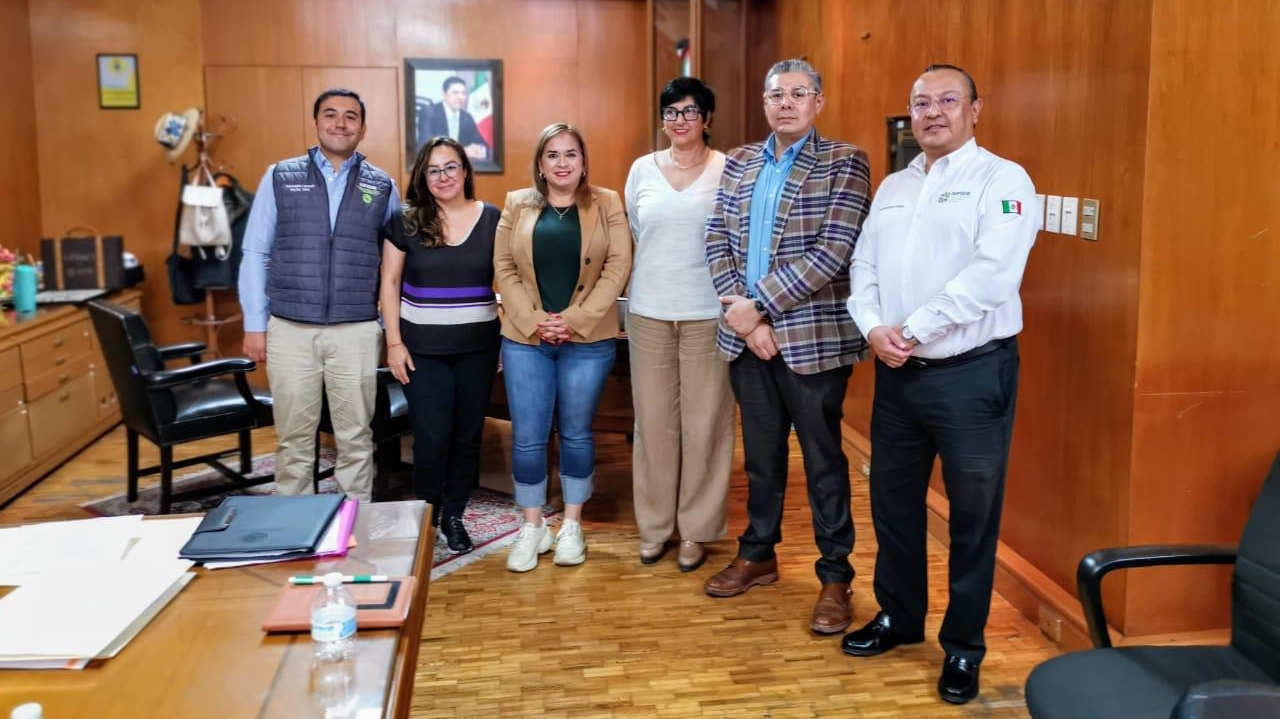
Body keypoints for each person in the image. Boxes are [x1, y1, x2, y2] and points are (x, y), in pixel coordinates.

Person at [843, 64, 1038, 705]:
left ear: (975, 109)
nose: (932, 112)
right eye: (921, 103)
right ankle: (900, 617)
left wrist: (912, 329)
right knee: (893, 505)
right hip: (897, 375)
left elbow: (993, 275)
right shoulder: (895, 186)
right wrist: (873, 327)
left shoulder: (1003, 180)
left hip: (971, 376)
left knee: (972, 518)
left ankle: (963, 647)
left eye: (947, 100)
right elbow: (864, 265)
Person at [702, 59, 872, 636]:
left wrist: (759, 307)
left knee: (823, 461)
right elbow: (716, 237)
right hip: (745, 338)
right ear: (764, 102)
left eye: (800, 93)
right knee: (762, 457)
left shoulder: (845, 161)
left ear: (818, 102)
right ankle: (758, 554)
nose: (787, 103)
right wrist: (746, 320)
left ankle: (836, 577)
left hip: (812, 341)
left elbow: (833, 251)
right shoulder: (740, 161)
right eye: (777, 94)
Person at [239, 88, 401, 501]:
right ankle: (294, 522)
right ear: (315, 123)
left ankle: (352, 521)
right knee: (294, 438)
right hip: (290, 329)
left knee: (356, 438)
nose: (340, 123)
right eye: (330, 114)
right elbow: (255, 251)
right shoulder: (280, 176)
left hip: (356, 331)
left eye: (350, 116)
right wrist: (255, 324)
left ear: (363, 128)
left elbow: (394, 267)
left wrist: (389, 330)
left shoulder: (383, 185)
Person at [493, 122, 632, 572]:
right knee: (528, 437)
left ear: (584, 162)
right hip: (526, 340)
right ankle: (532, 526)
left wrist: (572, 321)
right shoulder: (517, 202)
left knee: (576, 432)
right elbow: (503, 267)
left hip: (587, 340)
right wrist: (536, 322)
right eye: (552, 155)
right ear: (540, 164)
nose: (562, 163)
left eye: (571, 154)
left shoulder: (607, 202)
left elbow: (617, 266)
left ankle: (572, 525)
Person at [624, 77, 733, 573]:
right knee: (653, 425)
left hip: (709, 313)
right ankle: (655, 527)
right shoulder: (641, 170)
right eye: (671, 112)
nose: (680, 120)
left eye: (690, 111)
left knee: (706, 423)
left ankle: (696, 529)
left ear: (707, 119)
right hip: (649, 311)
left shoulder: (727, 169)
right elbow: (636, 231)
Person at [380, 136, 500, 554]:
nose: (443, 176)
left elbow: (510, 279)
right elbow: (389, 282)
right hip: (421, 350)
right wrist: (393, 343)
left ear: (465, 170)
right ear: (422, 177)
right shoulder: (406, 221)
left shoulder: (493, 219)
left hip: (478, 348)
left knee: (467, 437)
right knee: (431, 439)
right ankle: (429, 515)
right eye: (433, 170)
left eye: (450, 167)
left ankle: (454, 515)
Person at [419, 76, 490, 161]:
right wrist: (461, 152)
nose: (460, 97)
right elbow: (426, 146)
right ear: (444, 94)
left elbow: (482, 143)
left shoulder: (467, 117)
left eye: (463, 93)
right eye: (455, 93)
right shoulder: (429, 113)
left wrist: (479, 149)